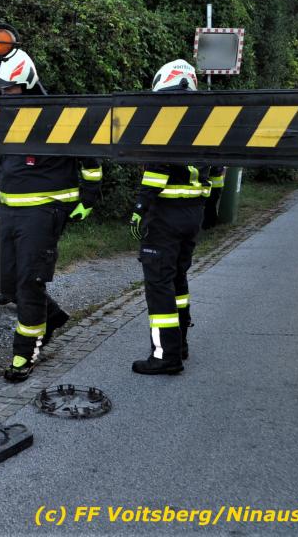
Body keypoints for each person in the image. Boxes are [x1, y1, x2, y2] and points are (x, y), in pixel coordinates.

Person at [0, 50, 103, 382]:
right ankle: (51, 317)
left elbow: (91, 159)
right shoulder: (3, 114)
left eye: (9, 88)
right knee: (6, 282)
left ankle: (25, 355)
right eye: (1, 88)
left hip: (45, 211)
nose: (4, 94)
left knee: (30, 282)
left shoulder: (59, 115)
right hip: (10, 211)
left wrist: (88, 198)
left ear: (27, 84)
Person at [130, 59, 211, 374]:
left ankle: (165, 356)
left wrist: (140, 207)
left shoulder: (166, 124)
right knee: (178, 279)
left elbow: (156, 172)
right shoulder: (205, 125)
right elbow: (217, 173)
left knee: (159, 285)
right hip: (193, 215)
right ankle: (180, 344)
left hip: (165, 217)